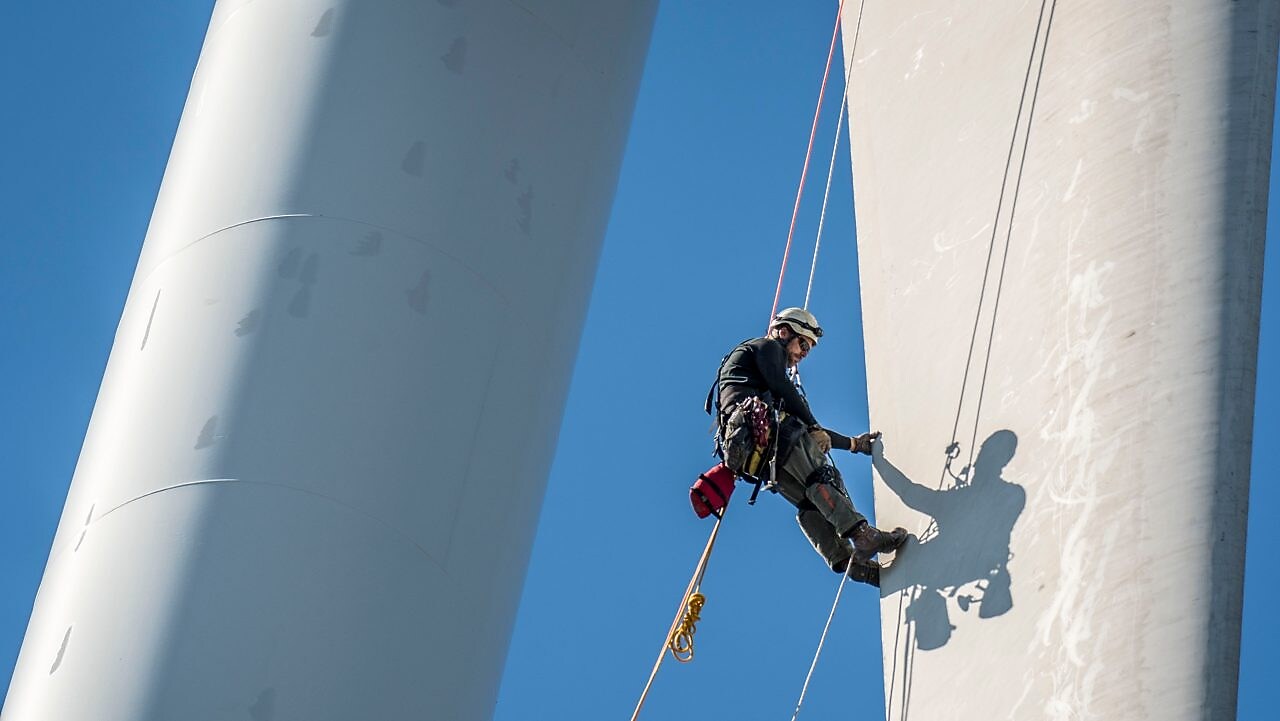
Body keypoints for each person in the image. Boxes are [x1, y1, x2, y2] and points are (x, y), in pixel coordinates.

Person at [708, 307, 906, 586]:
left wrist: (852, 444)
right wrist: (812, 425)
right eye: (803, 343)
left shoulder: (752, 372)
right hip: (772, 435)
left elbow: (803, 426)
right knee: (820, 478)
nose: (803, 353)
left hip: (756, 454)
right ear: (784, 331)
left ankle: (848, 562)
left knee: (807, 501)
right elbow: (786, 393)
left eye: (809, 349)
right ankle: (863, 536)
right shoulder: (768, 347)